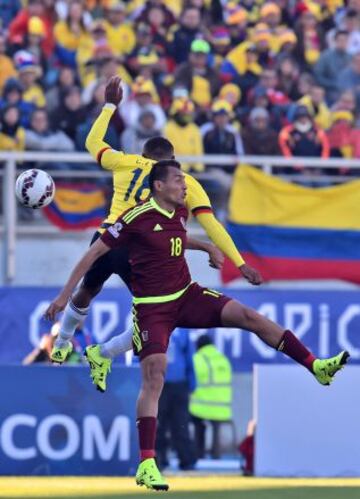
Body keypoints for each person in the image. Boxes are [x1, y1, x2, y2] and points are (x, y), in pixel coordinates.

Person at [45, 159, 349, 491]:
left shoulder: (179, 211)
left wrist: (206, 246)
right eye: (178, 180)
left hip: (187, 295)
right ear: (159, 186)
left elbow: (175, 238)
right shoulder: (134, 218)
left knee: (250, 317)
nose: (185, 184)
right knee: (155, 373)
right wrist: (63, 296)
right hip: (152, 308)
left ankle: (316, 365)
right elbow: (93, 254)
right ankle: (147, 463)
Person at [49, 76, 261, 367]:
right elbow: (212, 226)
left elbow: (92, 142)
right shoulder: (182, 181)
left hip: (107, 235)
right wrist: (239, 262)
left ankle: (62, 342)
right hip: (140, 249)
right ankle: (105, 353)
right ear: (172, 161)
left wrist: (110, 105)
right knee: (156, 312)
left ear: (144, 155)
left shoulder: (125, 162)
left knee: (87, 290)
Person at [156, 329, 197, 471]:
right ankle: (158, 459)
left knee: (181, 423)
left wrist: (191, 381)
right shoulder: (152, 324)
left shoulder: (183, 331)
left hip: (178, 384)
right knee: (158, 424)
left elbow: (189, 356)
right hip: (157, 383)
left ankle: (186, 460)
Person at [189, 334, 233, 460]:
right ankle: (216, 454)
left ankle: (199, 454)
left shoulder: (198, 358)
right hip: (223, 408)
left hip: (202, 407)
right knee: (215, 424)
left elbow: (191, 380)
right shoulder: (223, 359)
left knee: (195, 421)